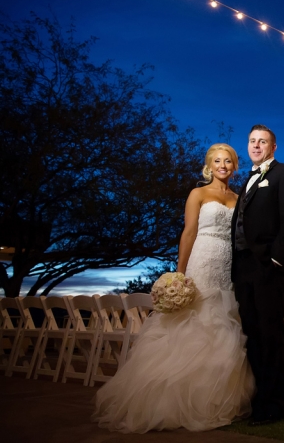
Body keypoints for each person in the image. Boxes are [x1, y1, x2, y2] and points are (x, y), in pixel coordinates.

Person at [93, 143, 254, 433]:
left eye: (228, 161)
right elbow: (188, 232)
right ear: (209, 165)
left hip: (229, 265)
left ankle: (212, 400)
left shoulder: (238, 197)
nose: (223, 165)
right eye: (217, 161)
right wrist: (179, 273)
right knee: (196, 320)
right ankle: (169, 401)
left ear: (234, 166)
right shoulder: (198, 194)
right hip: (202, 260)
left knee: (224, 322)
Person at [231, 124, 284, 426]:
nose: (256, 145)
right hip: (243, 267)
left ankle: (274, 405)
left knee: (270, 334)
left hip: (267, 267)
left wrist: (275, 260)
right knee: (252, 334)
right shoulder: (248, 179)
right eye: (252, 141)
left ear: (273, 147)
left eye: (262, 141)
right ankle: (259, 399)